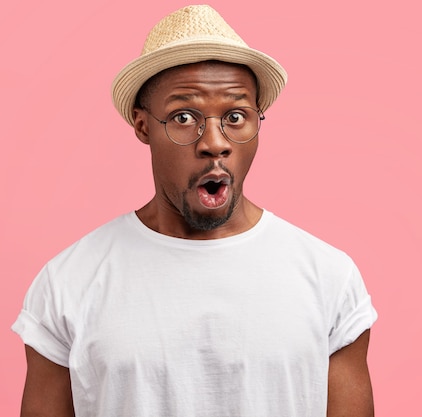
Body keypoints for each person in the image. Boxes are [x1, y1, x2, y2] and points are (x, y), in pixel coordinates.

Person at [12, 5, 377, 417]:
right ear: (143, 125)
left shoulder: (329, 278)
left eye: (236, 116)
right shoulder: (68, 283)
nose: (215, 142)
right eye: (184, 117)